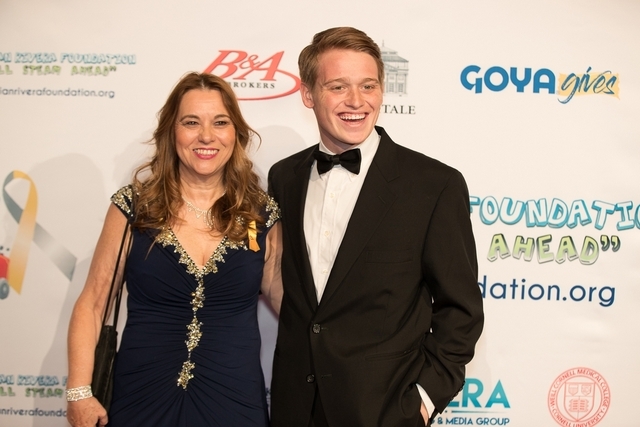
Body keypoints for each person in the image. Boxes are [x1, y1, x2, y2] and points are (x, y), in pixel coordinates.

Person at [268, 27, 484, 427]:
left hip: (384, 411)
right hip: (294, 408)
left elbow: (461, 310)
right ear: (308, 94)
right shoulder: (285, 177)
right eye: (338, 86)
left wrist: (422, 400)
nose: (357, 101)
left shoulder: (433, 185)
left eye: (368, 85)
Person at [66, 72, 282, 427]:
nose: (206, 136)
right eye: (191, 122)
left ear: (236, 133)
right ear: (171, 131)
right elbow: (92, 302)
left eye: (220, 122)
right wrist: (79, 391)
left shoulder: (261, 214)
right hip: (142, 396)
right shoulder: (133, 208)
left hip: (234, 400)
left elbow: (292, 304)